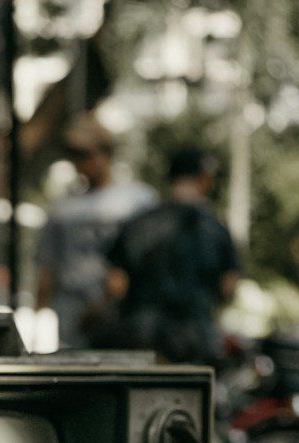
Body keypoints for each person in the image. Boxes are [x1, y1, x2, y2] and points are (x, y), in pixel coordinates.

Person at [104, 148, 240, 366]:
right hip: (196, 343)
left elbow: (115, 287)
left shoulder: (137, 225)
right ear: (205, 180)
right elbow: (228, 288)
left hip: (143, 341)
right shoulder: (217, 231)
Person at [34, 114, 156, 349]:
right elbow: (47, 265)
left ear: (106, 153)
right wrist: (38, 316)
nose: (82, 163)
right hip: (74, 312)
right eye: (75, 156)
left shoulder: (137, 201)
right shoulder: (63, 208)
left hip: (121, 311)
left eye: (87, 155)